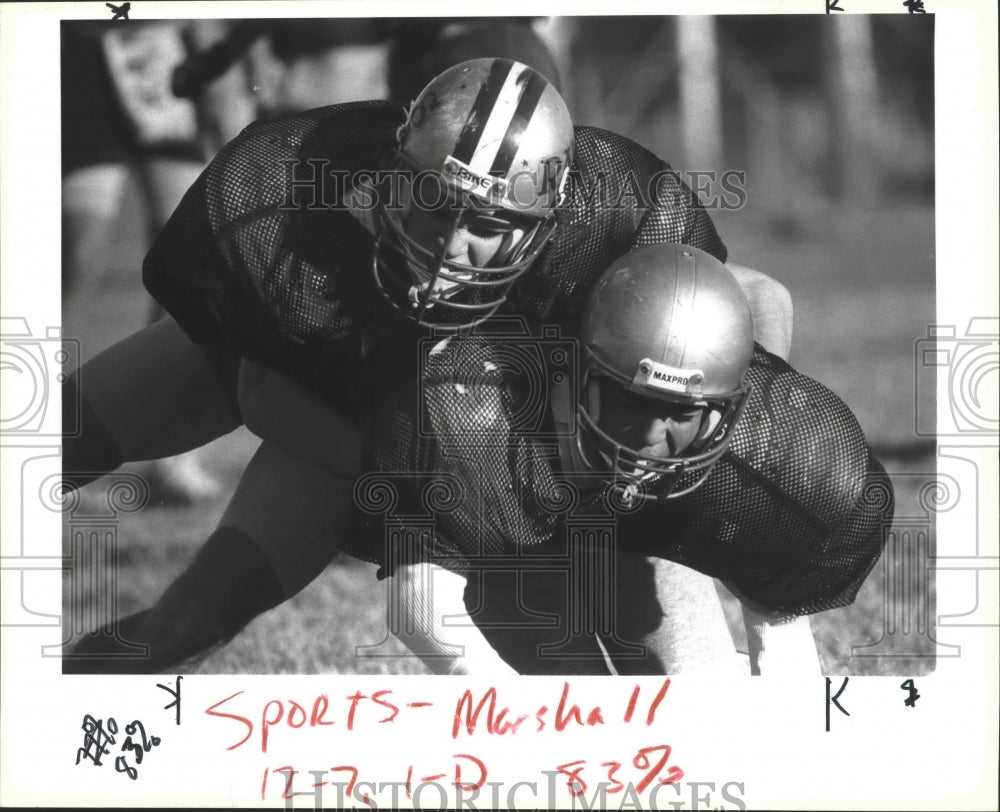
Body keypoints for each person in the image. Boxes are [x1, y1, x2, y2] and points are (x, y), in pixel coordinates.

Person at [62, 59, 792, 673]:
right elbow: (261, 394)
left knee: (178, 629)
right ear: (393, 176)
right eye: (435, 204)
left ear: (547, 224)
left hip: (495, 459)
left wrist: (677, 464)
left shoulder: (609, 229)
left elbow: (757, 301)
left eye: (488, 225)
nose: (451, 244)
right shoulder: (306, 194)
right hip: (327, 401)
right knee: (44, 446)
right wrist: (433, 483)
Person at [348, 244, 893, 676]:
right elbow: (418, 595)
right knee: (563, 720)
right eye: (633, 401)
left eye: (682, 411)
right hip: (516, 533)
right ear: (580, 368)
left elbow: (763, 292)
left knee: (702, 698)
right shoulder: (473, 412)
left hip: (640, 532)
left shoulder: (771, 450)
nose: (652, 436)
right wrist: (496, 696)